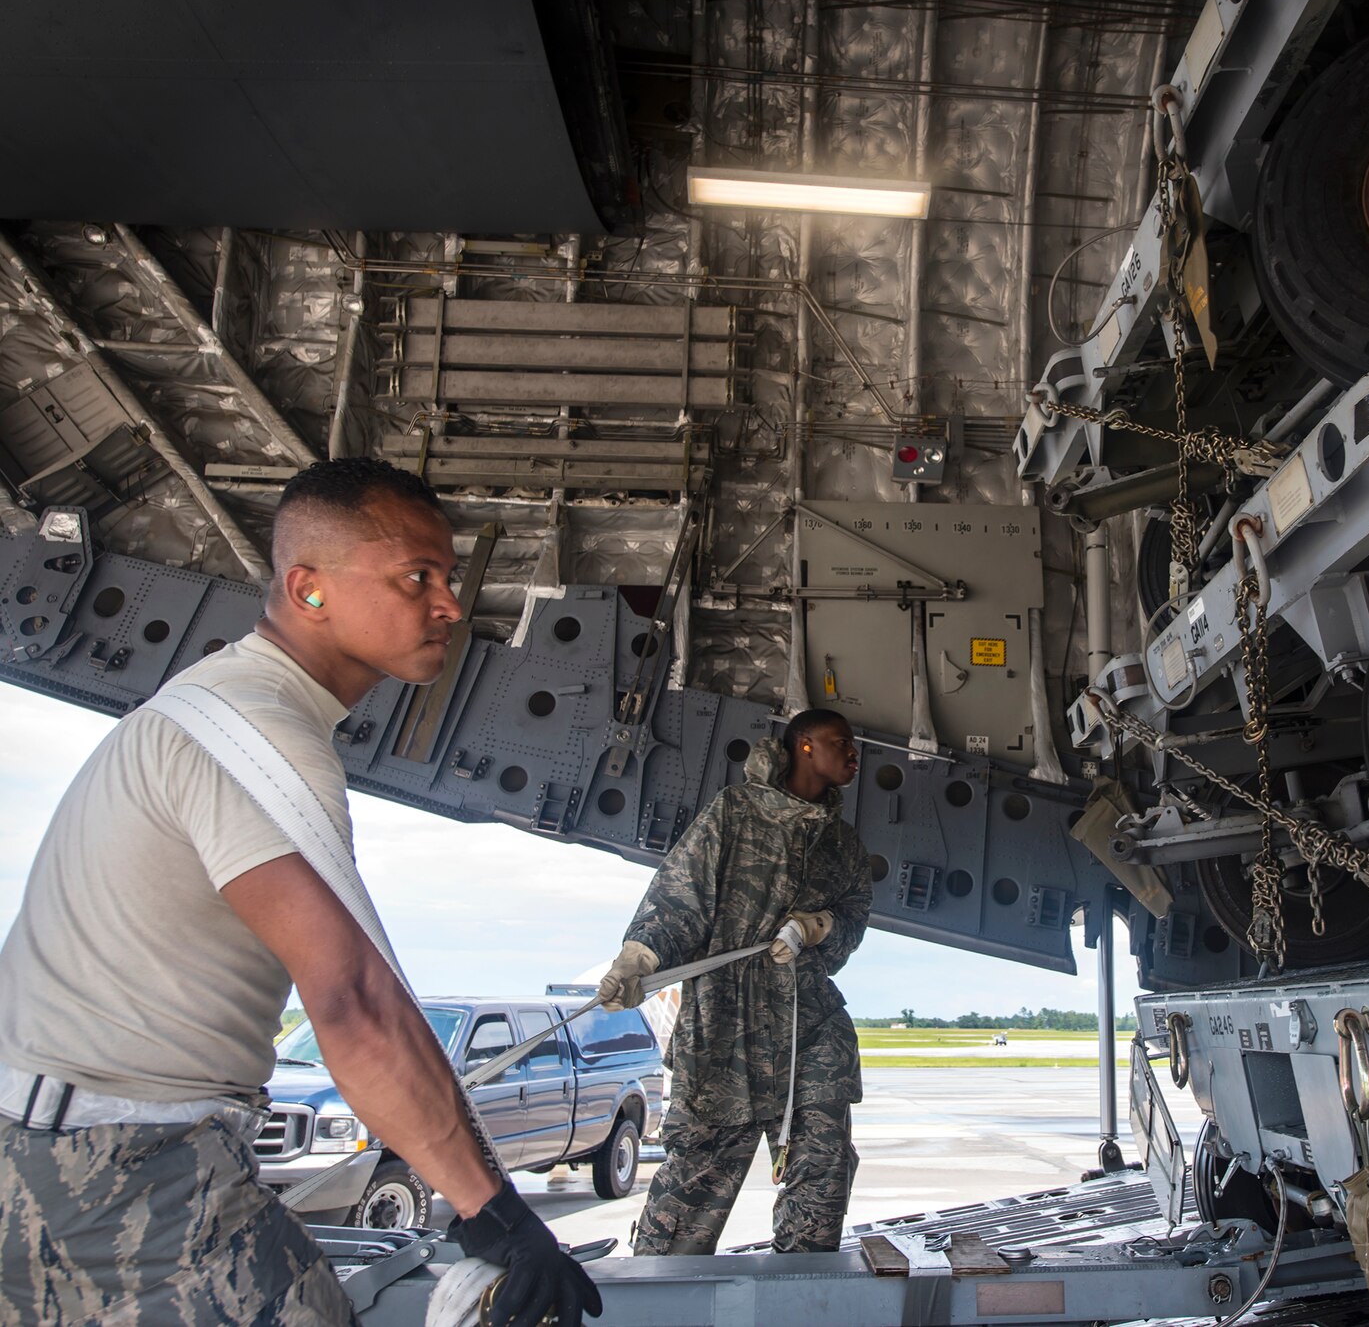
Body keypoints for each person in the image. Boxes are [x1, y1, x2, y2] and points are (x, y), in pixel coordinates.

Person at [0, 459, 600, 1327]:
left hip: (56, 1140)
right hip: (118, 1161)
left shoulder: (224, 705)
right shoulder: (263, 735)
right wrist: (494, 1212)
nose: (450, 604)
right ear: (309, 589)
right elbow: (353, 1002)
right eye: (416, 577)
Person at [597, 708, 871, 1255]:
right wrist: (640, 959)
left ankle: (805, 1296)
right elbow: (682, 894)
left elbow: (853, 915)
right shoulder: (735, 812)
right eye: (839, 741)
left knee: (823, 1169)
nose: (853, 753)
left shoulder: (842, 844)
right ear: (804, 746)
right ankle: (656, 1303)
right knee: (694, 1183)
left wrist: (819, 928)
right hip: (726, 1023)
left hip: (808, 1021)